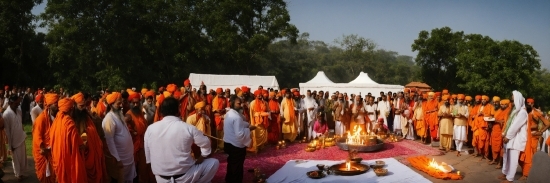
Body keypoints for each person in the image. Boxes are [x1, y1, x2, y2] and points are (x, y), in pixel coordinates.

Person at [144, 97, 218, 183]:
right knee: (214, 163)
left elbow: (148, 157)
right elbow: (206, 143)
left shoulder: (150, 128)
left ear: (161, 112)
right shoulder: (188, 128)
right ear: (178, 110)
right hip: (185, 176)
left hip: (161, 178)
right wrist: (201, 158)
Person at [49, 98, 86, 183]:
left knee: (60, 177)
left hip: (57, 156)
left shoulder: (56, 120)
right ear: (71, 109)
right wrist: (83, 142)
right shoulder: (69, 122)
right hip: (67, 158)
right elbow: (78, 143)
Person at [102, 92, 136, 183]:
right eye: (118, 103)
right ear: (111, 104)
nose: (121, 105)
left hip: (128, 158)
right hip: (121, 160)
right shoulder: (109, 119)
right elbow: (110, 141)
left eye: (121, 102)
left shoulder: (119, 113)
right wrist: (117, 159)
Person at [224, 95, 256, 183]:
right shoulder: (236, 117)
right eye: (238, 103)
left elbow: (240, 124)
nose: (241, 105)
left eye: (241, 103)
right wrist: (249, 129)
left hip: (228, 143)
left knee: (231, 164)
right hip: (236, 147)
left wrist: (247, 125)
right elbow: (240, 134)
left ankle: (229, 180)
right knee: (237, 167)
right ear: (232, 103)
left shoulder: (229, 113)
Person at [499, 90, 527, 183]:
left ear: (518, 100)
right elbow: (509, 124)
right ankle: (505, 172)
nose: (512, 102)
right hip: (510, 137)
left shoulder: (522, 112)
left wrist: (508, 136)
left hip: (516, 139)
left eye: (513, 100)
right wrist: (504, 134)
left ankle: (510, 178)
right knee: (506, 156)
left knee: (513, 159)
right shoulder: (515, 111)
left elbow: (515, 126)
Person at [124, 91, 150, 183]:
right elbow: (126, 131)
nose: (135, 104)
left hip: (142, 144)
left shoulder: (140, 113)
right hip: (133, 146)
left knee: (143, 168)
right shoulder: (128, 115)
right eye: (133, 103)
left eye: (137, 102)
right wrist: (134, 133)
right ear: (130, 103)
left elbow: (144, 126)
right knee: (134, 169)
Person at [32, 93, 59, 182]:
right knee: (45, 176)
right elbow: (37, 136)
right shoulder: (41, 119)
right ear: (49, 105)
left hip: (54, 150)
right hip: (44, 152)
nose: (58, 106)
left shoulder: (58, 117)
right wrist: (43, 147)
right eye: (56, 104)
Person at [3, 95, 28, 181]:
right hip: (13, 140)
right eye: (16, 103)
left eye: (18, 103)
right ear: (10, 102)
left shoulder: (19, 110)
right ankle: (18, 175)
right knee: (16, 159)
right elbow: (7, 131)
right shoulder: (6, 114)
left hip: (21, 137)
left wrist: (23, 133)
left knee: (22, 158)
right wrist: (10, 145)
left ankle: (21, 173)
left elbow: (20, 124)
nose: (18, 104)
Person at [472, 95, 494, 161]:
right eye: (482, 99)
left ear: (487, 100)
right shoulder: (479, 106)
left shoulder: (490, 106)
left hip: (485, 127)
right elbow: (475, 115)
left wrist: (484, 114)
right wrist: (477, 115)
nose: (483, 100)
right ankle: (480, 154)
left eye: (484, 99)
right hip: (477, 126)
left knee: (485, 142)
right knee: (477, 140)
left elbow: (492, 116)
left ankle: (486, 155)